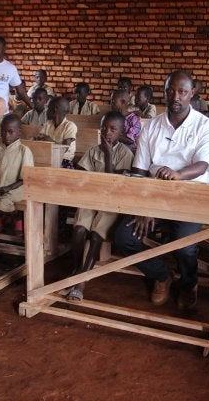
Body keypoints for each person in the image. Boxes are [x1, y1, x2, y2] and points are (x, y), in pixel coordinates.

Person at [114, 70, 209, 310]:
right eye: (171, 90)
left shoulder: (205, 126)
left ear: (192, 93)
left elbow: (203, 165)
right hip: (155, 195)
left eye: (182, 91)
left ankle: (189, 283)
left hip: (191, 196)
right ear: (164, 91)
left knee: (184, 243)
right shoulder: (151, 126)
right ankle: (161, 275)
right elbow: (140, 171)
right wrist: (145, 205)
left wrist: (179, 174)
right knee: (124, 236)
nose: (176, 97)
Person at [66, 112, 134, 301]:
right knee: (79, 230)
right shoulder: (92, 150)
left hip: (112, 205)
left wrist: (109, 154)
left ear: (122, 133)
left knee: (96, 236)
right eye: (104, 128)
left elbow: (114, 183)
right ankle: (77, 267)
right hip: (90, 200)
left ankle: (81, 282)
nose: (107, 133)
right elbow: (81, 175)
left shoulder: (125, 154)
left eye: (113, 129)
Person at [0, 114, 34, 236]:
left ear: (19, 132)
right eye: (3, 131)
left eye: (11, 132)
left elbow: (25, 178)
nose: (6, 135)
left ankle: (15, 217)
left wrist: (8, 188)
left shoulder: (24, 151)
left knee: (4, 201)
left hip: (16, 189)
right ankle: (2, 215)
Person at [36, 97, 77, 169]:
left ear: (55, 109)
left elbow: (65, 149)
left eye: (48, 108)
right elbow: (39, 140)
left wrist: (50, 141)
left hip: (64, 161)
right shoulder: (48, 124)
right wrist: (35, 139)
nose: (46, 111)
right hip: (47, 159)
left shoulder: (70, 126)